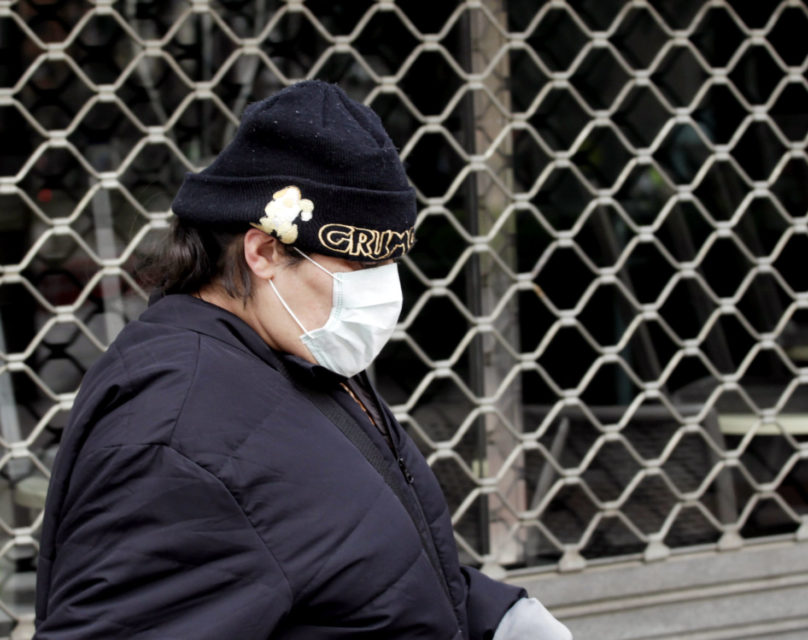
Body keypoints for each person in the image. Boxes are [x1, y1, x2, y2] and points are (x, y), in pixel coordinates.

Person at [33, 81, 571, 639]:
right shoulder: (178, 434)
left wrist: (495, 617)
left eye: (393, 261)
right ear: (263, 252)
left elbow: (360, 567)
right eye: (360, 264)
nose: (383, 291)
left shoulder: (295, 359)